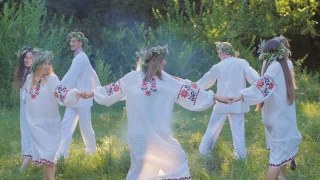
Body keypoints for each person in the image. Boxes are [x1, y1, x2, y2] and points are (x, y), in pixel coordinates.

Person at [82, 45, 230, 179]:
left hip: (153, 135)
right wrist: (92, 93)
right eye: (163, 60)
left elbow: (188, 91)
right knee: (153, 167)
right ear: (155, 61)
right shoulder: (137, 78)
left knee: (151, 167)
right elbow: (110, 90)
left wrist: (214, 97)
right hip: (145, 136)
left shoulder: (152, 79)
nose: (165, 63)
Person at [231, 39, 302, 180]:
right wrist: (242, 95)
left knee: (279, 151)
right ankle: (281, 173)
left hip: (272, 115)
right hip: (280, 117)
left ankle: (282, 177)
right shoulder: (283, 64)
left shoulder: (267, 64)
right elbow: (261, 86)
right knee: (276, 159)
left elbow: (263, 85)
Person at [24, 50, 82, 180]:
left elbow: (62, 94)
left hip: (50, 125)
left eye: (48, 63)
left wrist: (75, 93)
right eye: (43, 63)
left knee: (49, 155)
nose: (46, 66)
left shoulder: (52, 79)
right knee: (46, 158)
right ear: (36, 64)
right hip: (36, 124)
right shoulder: (30, 78)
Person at [196, 42, 260, 159]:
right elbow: (254, 78)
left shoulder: (218, 67)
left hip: (222, 102)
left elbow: (205, 82)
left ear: (224, 52)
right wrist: (263, 84)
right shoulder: (242, 63)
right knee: (238, 131)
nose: (218, 56)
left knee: (213, 127)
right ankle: (240, 157)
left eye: (218, 53)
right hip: (237, 102)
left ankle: (204, 152)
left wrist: (193, 86)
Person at [56, 31, 100, 158]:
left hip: (83, 97)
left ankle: (92, 152)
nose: (71, 43)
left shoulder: (81, 57)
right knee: (66, 124)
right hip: (75, 97)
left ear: (81, 42)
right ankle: (62, 154)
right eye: (71, 41)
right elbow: (90, 74)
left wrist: (59, 89)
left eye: (74, 41)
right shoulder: (79, 56)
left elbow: (71, 75)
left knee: (85, 126)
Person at [261, 35, 297, 151]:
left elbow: (262, 80)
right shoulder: (287, 63)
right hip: (282, 97)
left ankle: (274, 149)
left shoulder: (268, 63)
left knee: (272, 124)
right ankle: (286, 153)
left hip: (270, 98)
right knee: (285, 126)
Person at [14, 46, 37, 171]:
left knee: (30, 131)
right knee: (25, 131)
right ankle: (32, 156)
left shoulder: (34, 73)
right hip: (24, 107)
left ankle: (28, 158)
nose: (27, 60)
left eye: (30, 58)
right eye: (25, 58)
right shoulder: (23, 71)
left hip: (31, 108)